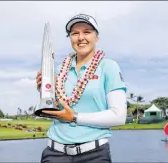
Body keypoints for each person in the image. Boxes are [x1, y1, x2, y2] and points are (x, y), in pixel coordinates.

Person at [36, 13, 127, 163]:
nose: (80, 38)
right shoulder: (59, 70)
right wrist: (45, 93)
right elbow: (57, 110)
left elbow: (119, 116)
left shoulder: (108, 67)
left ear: (96, 37)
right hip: (54, 154)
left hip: (94, 154)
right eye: (75, 33)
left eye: (87, 32)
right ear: (70, 38)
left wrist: (74, 117)